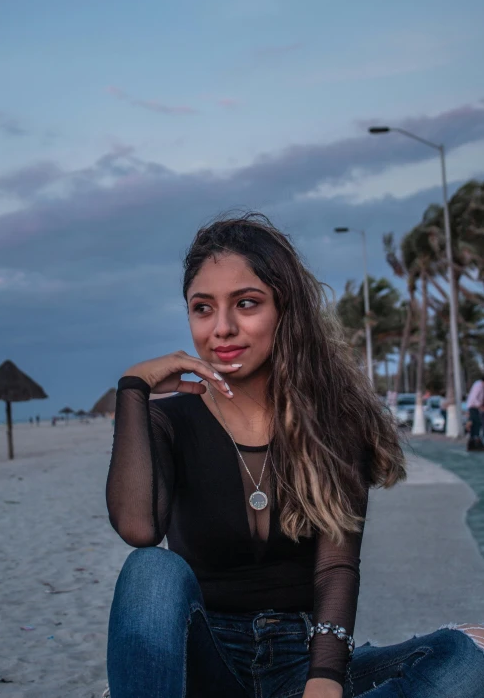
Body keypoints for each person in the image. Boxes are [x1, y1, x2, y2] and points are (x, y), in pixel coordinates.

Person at [106, 213, 484, 698]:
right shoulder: (170, 421)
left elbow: (335, 569)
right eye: (202, 308)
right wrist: (132, 389)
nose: (221, 328)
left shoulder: (332, 423)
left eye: (246, 304)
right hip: (205, 666)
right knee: (151, 570)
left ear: (286, 309)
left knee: (466, 657)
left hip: (300, 662)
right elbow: (139, 529)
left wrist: (324, 679)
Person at [466, 374, 484, 451]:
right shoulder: (478, 385)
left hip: (478, 408)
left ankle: (474, 442)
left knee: (477, 424)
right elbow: (473, 398)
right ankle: (474, 442)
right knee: (476, 423)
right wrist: (480, 406)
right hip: (473, 407)